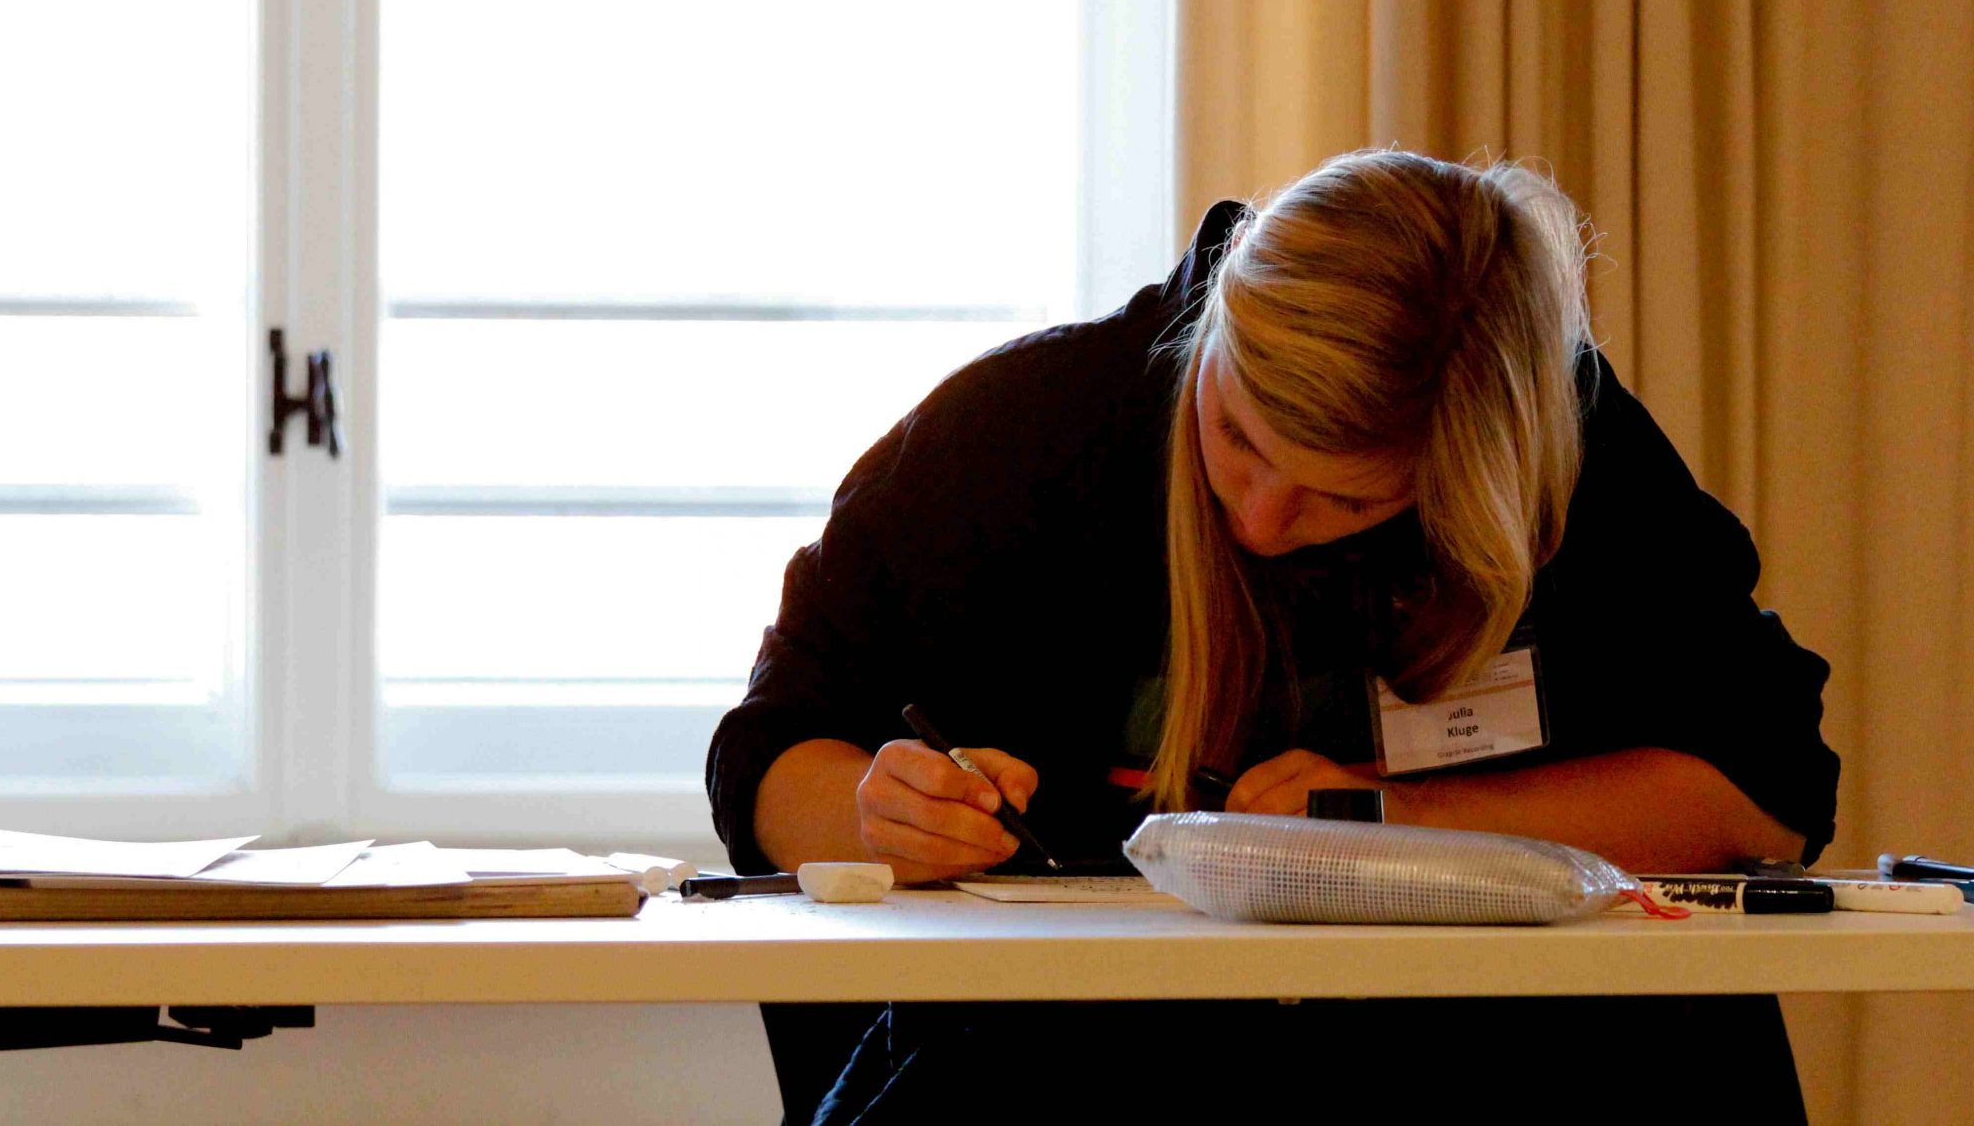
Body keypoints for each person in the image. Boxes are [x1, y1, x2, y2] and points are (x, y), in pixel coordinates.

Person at [706, 150, 1839, 1122]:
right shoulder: (1023, 436)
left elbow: (1762, 786)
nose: (1259, 518)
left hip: (1493, 1050)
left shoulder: (1567, 456)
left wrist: (1394, 829)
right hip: (1066, 1059)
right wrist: (879, 816)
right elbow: (770, 754)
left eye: (1347, 499)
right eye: (1237, 435)